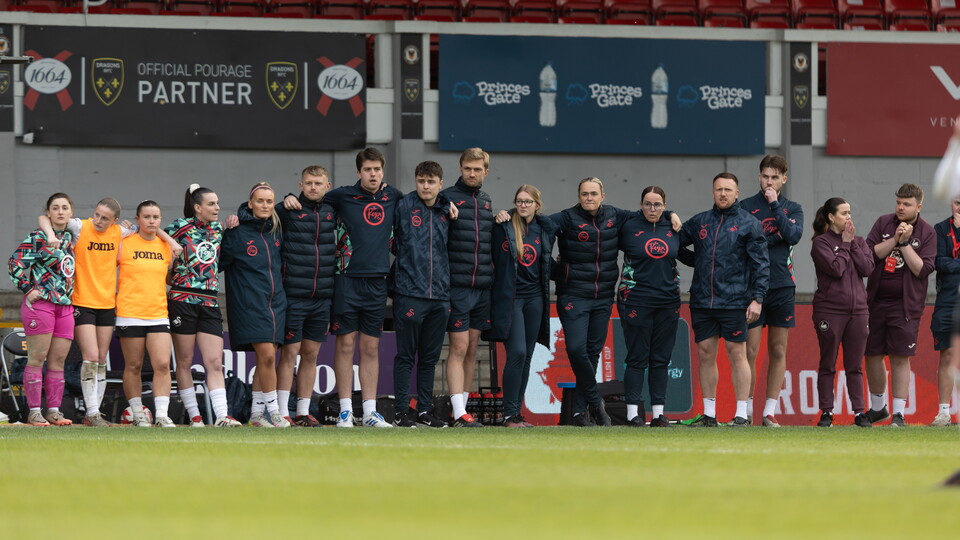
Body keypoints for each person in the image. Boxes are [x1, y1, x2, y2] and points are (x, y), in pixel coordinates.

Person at [547, 177, 680, 427]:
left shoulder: (617, 216)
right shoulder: (566, 218)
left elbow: (651, 211)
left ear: (602, 195)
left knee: (593, 353)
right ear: (579, 196)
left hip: (603, 296)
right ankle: (596, 403)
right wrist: (556, 271)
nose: (589, 198)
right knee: (577, 349)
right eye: (585, 193)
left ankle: (579, 412)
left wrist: (670, 213)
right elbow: (538, 227)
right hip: (575, 295)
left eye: (594, 193)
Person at [40, 198, 180, 426]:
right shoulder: (81, 226)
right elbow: (44, 217)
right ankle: (93, 411)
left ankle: (96, 413)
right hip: (83, 301)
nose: (98, 220)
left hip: (107, 305)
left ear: (115, 221)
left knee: (102, 360)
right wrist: (50, 235)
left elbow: (150, 227)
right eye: (96, 214)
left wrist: (170, 240)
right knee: (92, 357)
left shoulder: (120, 233)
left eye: (105, 218)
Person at [286, 148, 399, 428]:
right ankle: (346, 412)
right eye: (368, 169)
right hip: (346, 280)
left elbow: (425, 202)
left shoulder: (393, 196)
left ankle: (371, 412)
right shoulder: (341, 195)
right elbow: (310, 196)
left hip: (377, 281)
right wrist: (289, 197)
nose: (373, 174)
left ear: (382, 171)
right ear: (359, 172)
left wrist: (448, 205)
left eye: (377, 169)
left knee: (371, 347)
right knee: (346, 345)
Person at [679, 172, 769, 427]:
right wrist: (699, 261)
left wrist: (757, 298)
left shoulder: (749, 223)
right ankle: (709, 414)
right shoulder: (700, 222)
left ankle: (741, 413)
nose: (723, 194)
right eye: (719, 189)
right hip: (703, 300)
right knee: (705, 353)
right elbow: (674, 243)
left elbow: (761, 265)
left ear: (737, 193)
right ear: (713, 192)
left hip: (735, 300)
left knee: (736, 353)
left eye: (728, 190)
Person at [166, 185, 240, 428]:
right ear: (198, 208)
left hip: (209, 301)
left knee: (214, 362)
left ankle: (221, 416)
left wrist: (235, 222)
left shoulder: (220, 229)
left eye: (218, 203)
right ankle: (195, 416)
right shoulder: (179, 227)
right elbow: (152, 234)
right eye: (211, 204)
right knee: (185, 362)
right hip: (181, 300)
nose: (217, 208)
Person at [862, 183, 936, 427]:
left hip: (906, 305)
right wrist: (895, 238)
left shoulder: (926, 232)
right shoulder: (884, 223)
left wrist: (904, 245)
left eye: (907, 204)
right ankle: (877, 408)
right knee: (872, 354)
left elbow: (922, 269)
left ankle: (898, 413)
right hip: (875, 302)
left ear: (919, 206)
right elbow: (870, 255)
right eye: (899, 203)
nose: (901, 208)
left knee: (899, 356)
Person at [739, 155, 803, 427]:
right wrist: (773, 237)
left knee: (777, 350)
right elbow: (744, 243)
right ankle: (748, 410)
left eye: (774, 177)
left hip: (782, 285)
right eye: (765, 176)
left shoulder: (792, 207)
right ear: (759, 176)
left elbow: (794, 236)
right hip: (752, 287)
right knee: (750, 351)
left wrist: (775, 205)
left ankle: (769, 411)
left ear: (783, 180)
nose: (769, 181)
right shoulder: (745, 207)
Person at [486, 185, 556, 428]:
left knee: (526, 357)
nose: (523, 205)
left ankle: (516, 414)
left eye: (528, 201)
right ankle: (508, 415)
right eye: (519, 200)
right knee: (516, 352)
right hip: (510, 299)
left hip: (535, 299)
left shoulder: (544, 228)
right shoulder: (503, 225)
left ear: (537, 204)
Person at [390, 161, 453, 428]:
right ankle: (401, 411)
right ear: (415, 182)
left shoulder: (446, 209)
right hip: (408, 293)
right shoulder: (403, 206)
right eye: (421, 181)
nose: (425, 186)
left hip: (440, 296)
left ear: (440, 183)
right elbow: (392, 242)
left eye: (431, 181)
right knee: (406, 355)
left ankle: (425, 410)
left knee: (429, 358)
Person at [222, 182, 288, 428]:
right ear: (250, 203)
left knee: (266, 359)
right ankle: (274, 410)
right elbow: (217, 264)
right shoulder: (236, 232)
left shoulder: (276, 231)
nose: (265, 206)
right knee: (268, 356)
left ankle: (256, 415)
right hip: (250, 304)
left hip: (276, 304)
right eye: (260, 201)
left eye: (269, 201)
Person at [617, 186, 684, 427]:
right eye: (647, 204)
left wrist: (672, 215)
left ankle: (658, 414)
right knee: (637, 357)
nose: (652, 209)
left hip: (668, 302)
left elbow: (687, 254)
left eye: (657, 205)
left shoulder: (673, 227)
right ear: (641, 204)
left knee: (661, 359)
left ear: (665, 206)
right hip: (635, 299)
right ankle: (633, 413)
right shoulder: (628, 224)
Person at [8, 193, 77, 426]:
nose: (60, 211)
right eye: (55, 208)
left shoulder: (73, 236)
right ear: (48, 212)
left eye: (64, 208)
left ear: (71, 212)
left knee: (59, 361)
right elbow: (14, 263)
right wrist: (28, 288)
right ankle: (35, 411)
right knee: (37, 358)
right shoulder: (38, 237)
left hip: (65, 306)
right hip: (41, 305)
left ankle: (54, 411)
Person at [275, 166, 337, 427]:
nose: (313, 187)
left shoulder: (333, 210)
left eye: (318, 183)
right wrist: (283, 200)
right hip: (294, 295)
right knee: (290, 353)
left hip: (322, 296)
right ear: (300, 185)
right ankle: (281, 411)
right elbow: (256, 210)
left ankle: (302, 410)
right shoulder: (287, 210)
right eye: (309, 183)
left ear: (327, 185)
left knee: (311, 355)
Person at [441, 148, 493, 428]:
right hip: (457, 286)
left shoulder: (486, 201)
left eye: (477, 169)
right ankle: (458, 411)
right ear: (460, 169)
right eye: (467, 168)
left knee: (473, 348)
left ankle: (462, 410)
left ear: (486, 171)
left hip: (482, 287)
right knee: (458, 347)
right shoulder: (446, 197)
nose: (472, 173)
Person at [810, 198, 873, 428]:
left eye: (850, 212)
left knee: (855, 365)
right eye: (844, 213)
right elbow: (836, 269)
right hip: (829, 310)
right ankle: (827, 412)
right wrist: (845, 245)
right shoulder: (820, 244)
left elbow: (867, 268)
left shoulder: (859, 241)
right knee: (828, 363)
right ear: (831, 217)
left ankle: (859, 412)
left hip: (858, 311)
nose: (849, 217)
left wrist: (852, 244)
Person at [116, 200, 176, 427]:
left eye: (156, 217)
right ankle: (137, 413)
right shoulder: (124, 243)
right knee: (134, 366)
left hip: (158, 313)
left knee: (162, 364)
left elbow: (170, 278)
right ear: (138, 219)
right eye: (147, 217)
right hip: (130, 312)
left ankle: (161, 414)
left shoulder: (166, 246)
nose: (152, 221)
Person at [931, 197, 960, 426]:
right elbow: (939, 262)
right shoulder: (941, 229)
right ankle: (943, 411)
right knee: (948, 355)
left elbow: (950, 263)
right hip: (949, 300)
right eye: (958, 202)